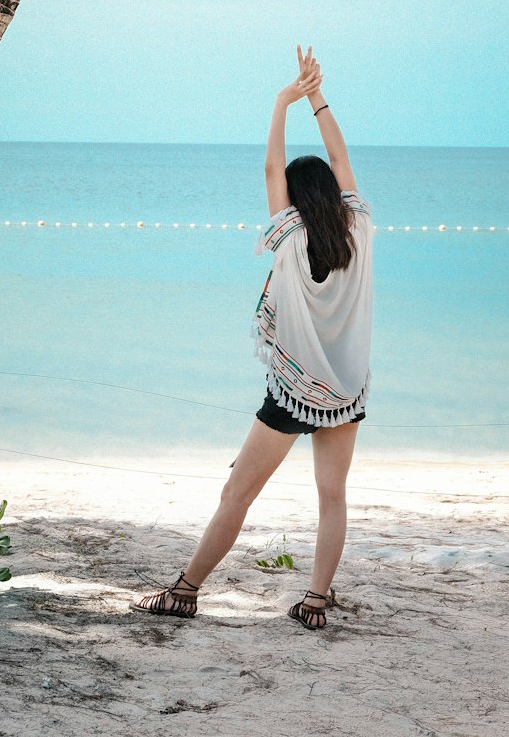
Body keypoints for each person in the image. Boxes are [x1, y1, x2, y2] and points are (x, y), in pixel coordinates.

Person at [132, 46, 374, 631]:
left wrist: (279, 103)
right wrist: (317, 97)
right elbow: (341, 157)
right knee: (332, 497)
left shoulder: (289, 238)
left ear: (294, 199)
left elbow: (272, 171)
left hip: (294, 391)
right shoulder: (361, 227)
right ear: (335, 195)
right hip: (346, 392)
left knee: (237, 494)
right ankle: (316, 600)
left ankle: (185, 591)